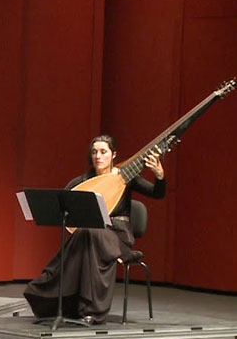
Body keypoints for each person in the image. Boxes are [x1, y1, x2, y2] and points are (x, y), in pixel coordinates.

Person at [23, 134, 166, 324]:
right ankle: (65, 303)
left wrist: (159, 175)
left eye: (103, 152)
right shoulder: (83, 181)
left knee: (88, 233)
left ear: (113, 154)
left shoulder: (125, 177)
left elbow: (157, 193)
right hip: (91, 234)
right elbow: (63, 202)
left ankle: (93, 310)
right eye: (94, 152)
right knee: (88, 233)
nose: (98, 156)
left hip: (118, 235)